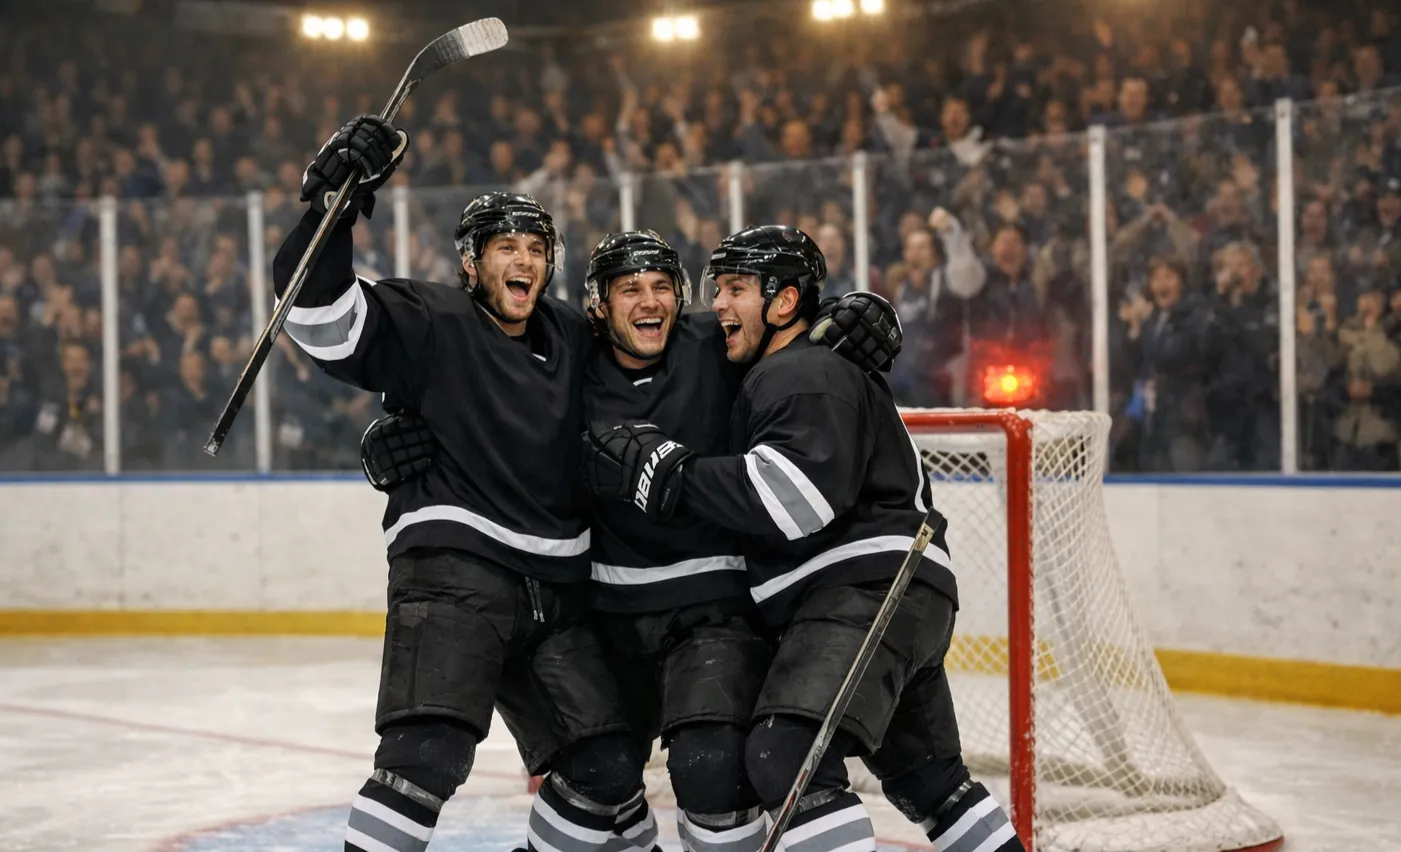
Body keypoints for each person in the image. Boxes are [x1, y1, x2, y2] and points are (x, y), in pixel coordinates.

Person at [360, 230, 903, 852]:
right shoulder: (567, 355)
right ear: (597, 306)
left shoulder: (712, 346)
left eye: (662, 287)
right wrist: (401, 432)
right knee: (599, 771)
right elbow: (480, 379)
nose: (650, 301)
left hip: (710, 609)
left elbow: (777, 324)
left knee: (712, 770)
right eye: (630, 289)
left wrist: (844, 315)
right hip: (607, 614)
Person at [582, 226, 1026, 852]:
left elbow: (796, 501)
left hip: (860, 590)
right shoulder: (798, 364)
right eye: (717, 289)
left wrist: (669, 475)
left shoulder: (799, 370)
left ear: (784, 302)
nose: (720, 307)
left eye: (736, 289)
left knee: (785, 754)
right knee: (930, 781)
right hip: (895, 591)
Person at [275, 114, 647, 852]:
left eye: (537, 248)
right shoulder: (430, 319)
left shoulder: (572, 335)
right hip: (455, 575)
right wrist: (331, 207)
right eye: (506, 246)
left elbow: (660, 356)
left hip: (557, 591)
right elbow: (318, 319)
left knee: (608, 766)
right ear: (471, 263)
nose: (525, 260)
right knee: (424, 762)